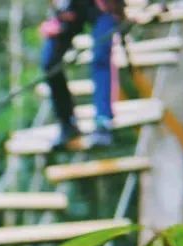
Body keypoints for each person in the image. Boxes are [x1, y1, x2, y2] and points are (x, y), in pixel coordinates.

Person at [40, 0, 127, 148]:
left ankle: (103, 121)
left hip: (103, 6)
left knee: (100, 57)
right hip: (71, 7)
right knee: (49, 62)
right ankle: (67, 123)